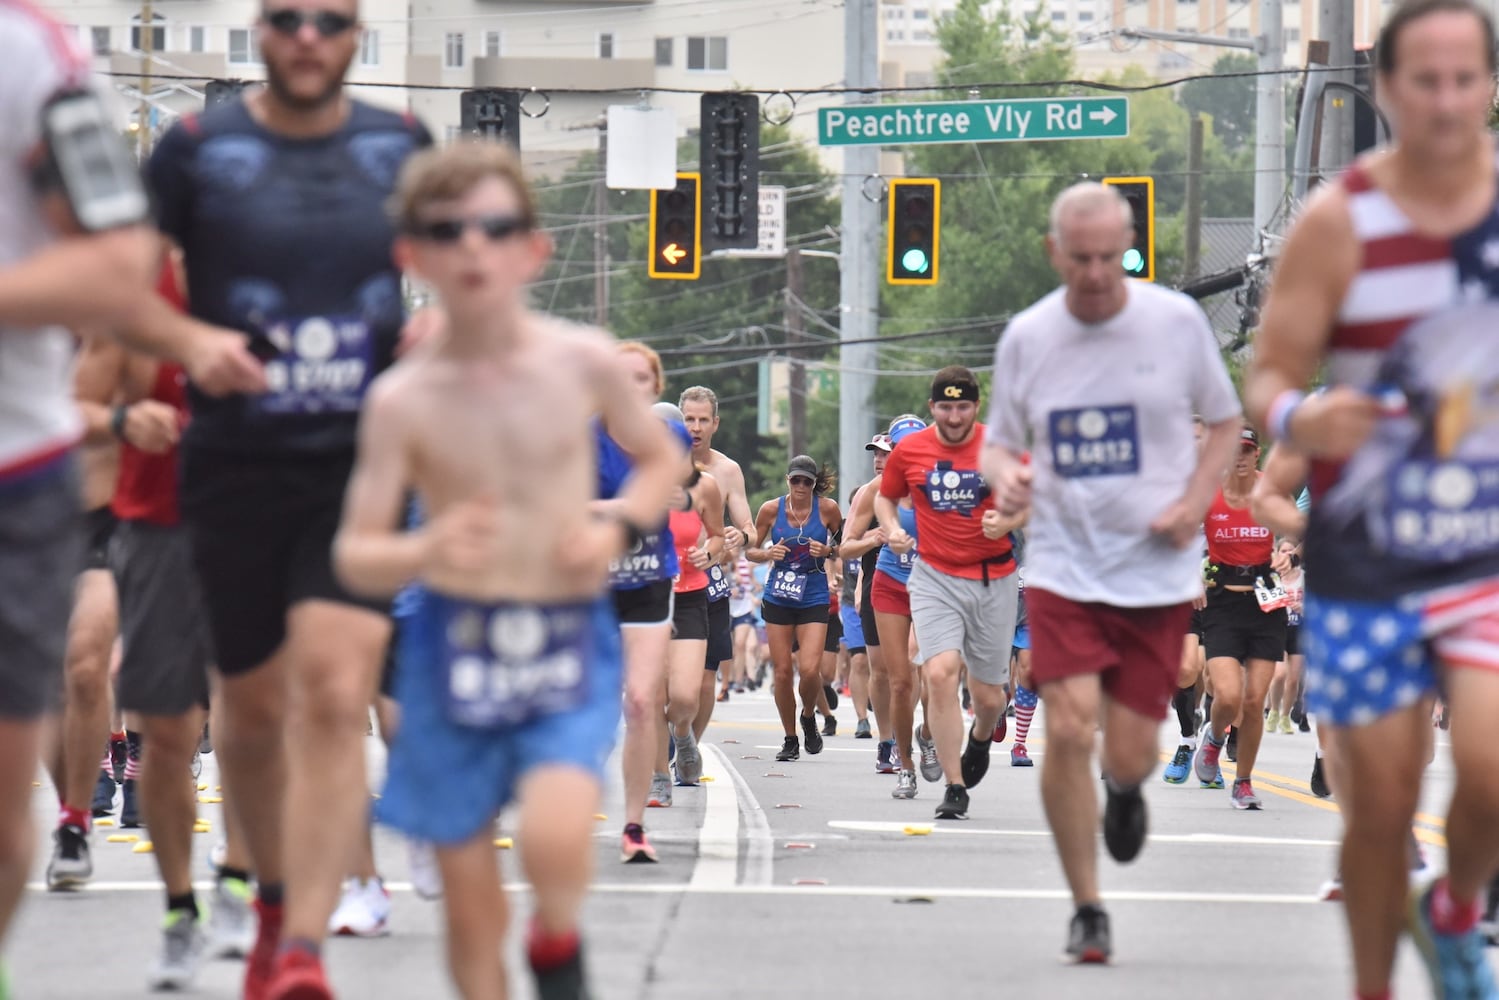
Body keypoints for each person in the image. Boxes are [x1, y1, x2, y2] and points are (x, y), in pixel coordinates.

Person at [334, 139, 677, 1000]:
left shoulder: (581, 360)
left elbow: (659, 460)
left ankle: (556, 946)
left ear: (532, 247)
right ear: (413, 255)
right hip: (454, 648)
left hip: (561, 637)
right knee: (467, 896)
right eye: (447, 230)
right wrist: (423, 551)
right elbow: (356, 550)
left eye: (496, 226)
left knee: (557, 839)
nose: (473, 247)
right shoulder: (401, 399)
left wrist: (618, 524)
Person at [141, 0, 433, 991]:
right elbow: (120, 276)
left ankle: (304, 944)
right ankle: (269, 910)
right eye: (287, 18)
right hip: (233, 467)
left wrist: (442, 331)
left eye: (331, 20)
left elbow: (460, 268)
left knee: (335, 693)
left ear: (356, 37)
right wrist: (189, 345)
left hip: (357, 464)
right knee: (253, 716)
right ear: (258, 33)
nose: (309, 37)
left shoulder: (399, 146)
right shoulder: (192, 148)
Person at [0, 3, 257, 988]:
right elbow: (91, 391)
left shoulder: (35, 56)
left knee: (222, 700)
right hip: (120, 507)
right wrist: (121, 419)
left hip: (170, 516)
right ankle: (94, 824)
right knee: (122, 689)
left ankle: (222, 878)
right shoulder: (135, 311)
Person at [1246, 2, 1499, 996]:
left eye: (1463, 80)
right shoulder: (1338, 220)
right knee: (1382, 805)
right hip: (1365, 559)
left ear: (1486, 86)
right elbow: (1268, 375)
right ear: (1386, 92)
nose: (1443, 102)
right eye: (1421, 82)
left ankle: (1453, 907)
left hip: (1478, 544)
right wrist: (1298, 422)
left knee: (1486, 770)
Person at [985, 181, 1241, 963]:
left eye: (1109, 257)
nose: (1095, 274)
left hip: (1153, 575)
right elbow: (997, 442)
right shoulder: (1029, 336)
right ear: (1054, 253)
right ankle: (1086, 907)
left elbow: (1226, 422)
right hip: (1064, 566)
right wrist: (1005, 476)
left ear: (1126, 247)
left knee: (1127, 751)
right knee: (1066, 724)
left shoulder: (1172, 322)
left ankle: (1124, 790)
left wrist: (1194, 503)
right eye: (1079, 258)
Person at [878, 370, 1023, 821]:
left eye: (963, 407)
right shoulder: (911, 450)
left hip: (992, 579)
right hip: (934, 577)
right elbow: (887, 497)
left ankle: (981, 735)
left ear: (976, 407)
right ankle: (955, 785)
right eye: (945, 407)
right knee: (939, 673)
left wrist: (1009, 521)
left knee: (990, 696)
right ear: (931, 407)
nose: (954, 416)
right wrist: (893, 529)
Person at [602, 342, 691, 857]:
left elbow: (688, 487)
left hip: (651, 579)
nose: (630, 389)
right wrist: (630, 505)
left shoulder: (670, 435)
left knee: (640, 701)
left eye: (641, 379)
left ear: (655, 388)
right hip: (591, 583)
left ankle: (633, 826)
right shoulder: (586, 438)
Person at [1191, 425, 1288, 808]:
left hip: (1267, 603)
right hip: (1223, 605)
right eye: (1234, 451)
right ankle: (1214, 738)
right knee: (1228, 696)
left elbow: (1298, 530)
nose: (1240, 457)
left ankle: (1243, 782)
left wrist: (1290, 551)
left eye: (1247, 450)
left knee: (1254, 701)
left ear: (1257, 454)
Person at [747, 456, 843, 761]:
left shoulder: (827, 509)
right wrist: (767, 554)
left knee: (810, 669)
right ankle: (790, 738)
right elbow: (749, 550)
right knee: (783, 672)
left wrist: (828, 551)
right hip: (779, 594)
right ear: (788, 480)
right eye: (796, 480)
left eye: (807, 482)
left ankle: (808, 714)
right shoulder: (770, 510)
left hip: (813, 593)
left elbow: (846, 546)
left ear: (814, 485)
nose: (801, 486)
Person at [839, 434, 900, 768]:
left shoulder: (919, 492)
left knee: (912, 667)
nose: (878, 459)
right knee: (879, 670)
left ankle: (920, 735)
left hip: (919, 589)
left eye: (886, 453)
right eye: (875, 454)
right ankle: (886, 740)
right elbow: (845, 548)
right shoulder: (867, 494)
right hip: (879, 587)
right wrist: (874, 538)